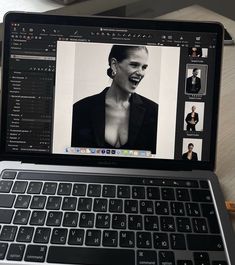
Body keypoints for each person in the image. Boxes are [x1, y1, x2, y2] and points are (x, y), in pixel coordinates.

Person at [71, 45, 158, 154]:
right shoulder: (80, 109)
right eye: (134, 65)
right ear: (114, 65)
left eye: (144, 67)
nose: (140, 72)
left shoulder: (154, 111)